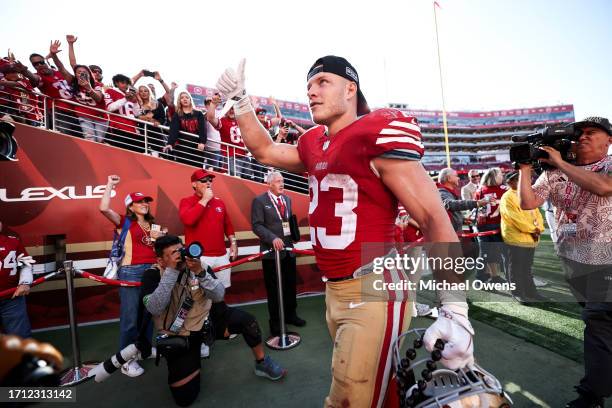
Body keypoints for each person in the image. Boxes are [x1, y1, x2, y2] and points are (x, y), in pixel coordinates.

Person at [215, 56, 472, 407]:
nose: (312, 92)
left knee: (348, 400)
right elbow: (264, 150)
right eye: (308, 86)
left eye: (322, 82)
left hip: (374, 287)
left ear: (351, 88)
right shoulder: (311, 142)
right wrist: (242, 103)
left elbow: (433, 218)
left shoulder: (375, 133)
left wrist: (455, 308)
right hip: (335, 290)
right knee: (381, 394)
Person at [518, 116, 612, 408]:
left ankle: (591, 395)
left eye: (592, 132)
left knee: (597, 321)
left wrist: (560, 163)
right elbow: (527, 202)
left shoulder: (608, 165)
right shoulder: (551, 171)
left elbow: (603, 188)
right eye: (580, 132)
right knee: (602, 323)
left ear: (608, 140)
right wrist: (523, 170)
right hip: (572, 260)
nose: (583, 136)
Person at [141, 235, 225, 407]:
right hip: (177, 335)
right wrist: (172, 271)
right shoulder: (152, 274)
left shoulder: (197, 266)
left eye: (181, 249)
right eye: (173, 253)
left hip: (201, 327)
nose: (180, 255)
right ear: (160, 260)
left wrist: (201, 272)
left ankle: (261, 362)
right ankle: (193, 359)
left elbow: (219, 296)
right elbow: (155, 308)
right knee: (185, 398)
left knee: (249, 324)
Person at [99, 175, 166, 377]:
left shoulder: (153, 225)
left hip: (152, 271)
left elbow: (157, 249)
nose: (144, 204)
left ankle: (143, 351)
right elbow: (103, 208)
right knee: (130, 319)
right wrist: (110, 185)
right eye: (139, 201)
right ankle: (126, 360)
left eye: (146, 201)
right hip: (130, 270)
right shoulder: (124, 221)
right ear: (131, 206)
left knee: (148, 314)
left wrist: (161, 239)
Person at [251, 171, 305, 335]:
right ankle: (275, 323)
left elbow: (287, 222)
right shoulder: (259, 201)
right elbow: (257, 225)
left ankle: (291, 315)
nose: (282, 184)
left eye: (282, 181)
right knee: (274, 290)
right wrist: (272, 238)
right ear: (269, 184)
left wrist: (294, 236)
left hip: (288, 251)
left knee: (290, 285)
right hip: (271, 253)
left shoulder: (287, 199)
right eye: (277, 181)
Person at [179, 169, 238, 289]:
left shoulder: (219, 202)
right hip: (200, 257)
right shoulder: (186, 201)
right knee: (200, 294)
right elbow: (188, 220)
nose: (208, 183)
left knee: (221, 291)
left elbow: (228, 225)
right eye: (204, 180)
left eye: (210, 180)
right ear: (194, 184)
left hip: (222, 256)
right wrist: (204, 200)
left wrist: (233, 243)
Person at [499, 170, 546, 304]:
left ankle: (531, 292)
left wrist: (539, 228)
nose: (523, 182)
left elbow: (536, 212)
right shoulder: (507, 197)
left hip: (530, 238)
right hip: (516, 238)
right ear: (509, 182)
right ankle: (518, 293)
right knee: (516, 268)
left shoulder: (527, 194)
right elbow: (515, 218)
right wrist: (532, 229)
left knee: (527, 267)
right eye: (518, 179)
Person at [49, 40, 107, 142]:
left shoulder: (98, 85)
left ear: (89, 74)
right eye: (79, 72)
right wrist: (53, 55)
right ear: (76, 74)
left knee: (99, 141)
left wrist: (89, 88)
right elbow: (61, 67)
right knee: (90, 139)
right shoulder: (73, 82)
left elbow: (98, 98)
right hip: (84, 116)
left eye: (84, 72)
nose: (81, 74)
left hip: (100, 118)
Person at [29, 52, 81, 137]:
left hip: (78, 110)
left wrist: (54, 55)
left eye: (41, 62)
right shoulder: (38, 76)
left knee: (82, 139)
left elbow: (64, 66)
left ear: (46, 61)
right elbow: (33, 78)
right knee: (65, 138)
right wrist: (24, 71)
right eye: (35, 64)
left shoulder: (60, 72)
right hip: (60, 111)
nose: (39, 65)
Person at [0, 221, 35, 338]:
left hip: (12, 298)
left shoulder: (13, 241)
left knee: (21, 337)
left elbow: (26, 264)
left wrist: (25, 282)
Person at [474, 167, 506, 283]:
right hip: (498, 224)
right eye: (500, 174)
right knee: (504, 253)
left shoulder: (480, 190)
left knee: (485, 253)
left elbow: (477, 208)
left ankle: (488, 276)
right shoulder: (504, 189)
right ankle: (510, 278)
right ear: (495, 177)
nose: (502, 176)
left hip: (482, 225)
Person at [437, 168, 489, 233]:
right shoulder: (442, 192)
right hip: (450, 233)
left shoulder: (446, 192)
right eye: (456, 176)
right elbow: (450, 204)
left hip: (454, 230)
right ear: (449, 178)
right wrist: (477, 203)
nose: (458, 178)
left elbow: (451, 212)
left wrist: (462, 219)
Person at [163, 91, 207, 166]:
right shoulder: (177, 115)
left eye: (187, 97)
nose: (184, 99)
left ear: (190, 100)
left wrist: (202, 142)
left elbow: (203, 130)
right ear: (179, 101)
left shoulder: (198, 114)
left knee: (196, 171)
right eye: (182, 98)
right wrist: (170, 143)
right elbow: (174, 130)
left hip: (197, 148)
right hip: (182, 148)